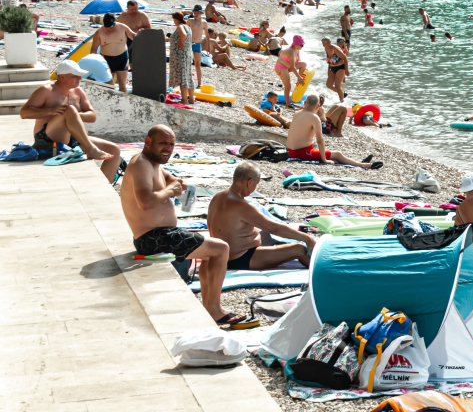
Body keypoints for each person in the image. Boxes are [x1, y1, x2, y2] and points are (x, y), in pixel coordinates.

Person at [120, 125, 255, 327]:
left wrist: (175, 183)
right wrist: (170, 191)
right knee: (221, 249)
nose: (168, 148)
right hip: (154, 238)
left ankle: (209, 307)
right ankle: (215, 310)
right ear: (148, 142)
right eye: (162, 143)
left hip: (162, 234)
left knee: (212, 250)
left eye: (171, 144)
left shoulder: (152, 163)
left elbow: (169, 178)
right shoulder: (141, 164)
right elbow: (145, 202)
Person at [208, 162, 316, 271]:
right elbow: (275, 228)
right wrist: (307, 238)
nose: (254, 189)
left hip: (221, 254)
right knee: (300, 249)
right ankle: (322, 269)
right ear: (249, 182)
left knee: (267, 235)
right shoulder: (241, 206)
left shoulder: (217, 197)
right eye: (256, 184)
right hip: (240, 258)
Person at [19, 61, 120, 177]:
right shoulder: (46, 90)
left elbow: (92, 116)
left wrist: (71, 116)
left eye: (79, 76)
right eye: (75, 76)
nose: (79, 79)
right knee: (69, 109)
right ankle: (90, 149)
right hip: (46, 139)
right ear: (62, 77)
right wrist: (50, 111)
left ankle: (106, 188)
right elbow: (24, 113)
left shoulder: (78, 91)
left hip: (71, 137)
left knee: (114, 149)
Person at [285, 94, 382, 169]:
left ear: (305, 102)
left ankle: (359, 162)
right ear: (317, 106)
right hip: (301, 152)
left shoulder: (297, 114)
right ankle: (365, 165)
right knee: (337, 154)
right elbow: (320, 140)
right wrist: (324, 160)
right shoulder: (314, 118)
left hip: (291, 151)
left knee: (335, 157)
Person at [90, 12, 133, 92]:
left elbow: (134, 37)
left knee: (122, 85)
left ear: (115, 20)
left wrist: (141, 33)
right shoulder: (99, 32)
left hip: (122, 58)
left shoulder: (123, 27)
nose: (110, 28)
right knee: (108, 86)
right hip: (107, 60)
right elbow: (93, 48)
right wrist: (93, 61)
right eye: (108, 26)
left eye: (112, 26)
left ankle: (123, 103)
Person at [168, 12, 195, 106]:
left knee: (182, 77)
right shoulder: (187, 26)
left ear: (175, 19)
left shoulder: (180, 26)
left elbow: (183, 35)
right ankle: (191, 98)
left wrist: (180, 42)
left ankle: (184, 100)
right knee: (188, 75)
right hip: (187, 54)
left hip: (180, 55)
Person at [274, 35, 306, 107]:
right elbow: (293, 67)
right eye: (301, 45)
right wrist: (299, 77)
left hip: (287, 66)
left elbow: (298, 61)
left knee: (304, 64)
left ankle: (298, 82)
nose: (302, 46)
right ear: (296, 44)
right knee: (288, 86)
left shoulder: (297, 50)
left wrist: (302, 72)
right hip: (281, 67)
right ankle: (288, 104)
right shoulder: (290, 51)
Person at [322, 37, 348, 101]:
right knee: (328, 85)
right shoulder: (326, 48)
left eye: (323, 43)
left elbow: (345, 58)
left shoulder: (335, 49)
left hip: (340, 68)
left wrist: (347, 70)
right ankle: (342, 93)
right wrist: (328, 70)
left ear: (328, 43)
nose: (322, 45)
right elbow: (330, 60)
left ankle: (342, 101)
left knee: (338, 86)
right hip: (332, 68)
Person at [188, 6, 207, 88]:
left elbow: (207, 35)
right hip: (189, 43)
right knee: (187, 63)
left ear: (201, 13)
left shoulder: (204, 23)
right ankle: (186, 81)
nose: (196, 14)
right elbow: (184, 30)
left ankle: (199, 83)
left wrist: (208, 47)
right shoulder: (190, 21)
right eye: (195, 12)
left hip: (197, 44)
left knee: (197, 64)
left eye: (197, 13)